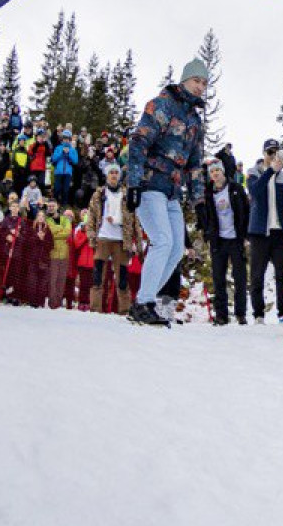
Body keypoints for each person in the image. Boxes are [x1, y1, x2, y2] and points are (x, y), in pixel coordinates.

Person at [124, 59, 209, 326]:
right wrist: (134, 183)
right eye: (196, 81)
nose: (200, 87)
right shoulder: (162, 105)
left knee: (174, 249)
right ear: (184, 80)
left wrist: (199, 202)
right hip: (150, 184)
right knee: (162, 239)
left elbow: (195, 164)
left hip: (173, 190)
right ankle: (143, 303)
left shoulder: (195, 121)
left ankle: (145, 300)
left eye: (204, 83)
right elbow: (139, 141)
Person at [245, 138, 283, 324]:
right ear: (264, 154)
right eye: (270, 153)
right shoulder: (253, 173)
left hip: (279, 232)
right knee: (257, 275)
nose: (273, 156)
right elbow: (255, 192)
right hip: (259, 232)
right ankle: (258, 314)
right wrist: (270, 171)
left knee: (282, 275)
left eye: (276, 153)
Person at [198, 158, 250, 325]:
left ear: (223, 172)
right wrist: (207, 233)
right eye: (212, 172)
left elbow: (246, 211)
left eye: (217, 171)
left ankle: (241, 313)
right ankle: (221, 315)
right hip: (218, 240)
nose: (215, 174)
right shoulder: (208, 193)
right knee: (218, 277)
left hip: (236, 238)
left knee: (240, 277)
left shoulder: (236, 188)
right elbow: (204, 215)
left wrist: (246, 235)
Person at [87, 163, 135, 314]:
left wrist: (135, 240)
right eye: (111, 172)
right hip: (103, 237)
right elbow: (91, 217)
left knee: (122, 277)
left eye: (116, 172)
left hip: (121, 240)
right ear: (106, 175)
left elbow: (134, 219)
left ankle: (125, 310)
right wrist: (91, 235)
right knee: (97, 275)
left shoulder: (126, 195)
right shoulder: (99, 194)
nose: (114, 175)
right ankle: (95, 308)